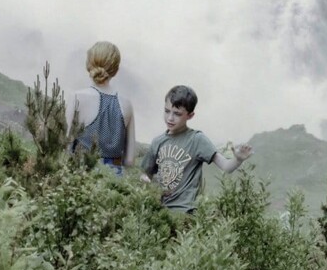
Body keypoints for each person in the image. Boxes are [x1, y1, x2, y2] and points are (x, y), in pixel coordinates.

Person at [142, 85, 253, 213]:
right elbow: (145, 174)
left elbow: (226, 166)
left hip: (186, 213)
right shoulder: (157, 142)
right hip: (160, 212)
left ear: (190, 115)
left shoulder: (197, 139)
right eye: (167, 111)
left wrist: (238, 159)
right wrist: (147, 185)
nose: (170, 118)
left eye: (177, 114)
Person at [68, 41, 136, 173]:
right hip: (114, 180)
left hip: (82, 173)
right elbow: (129, 160)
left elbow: (65, 146)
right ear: (115, 69)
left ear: (89, 64)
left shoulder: (77, 98)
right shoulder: (127, 104)